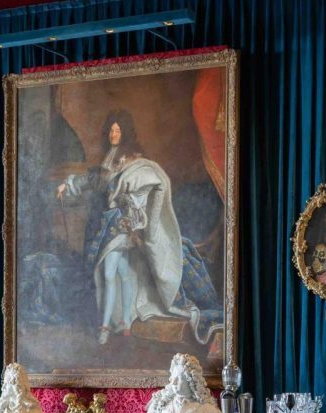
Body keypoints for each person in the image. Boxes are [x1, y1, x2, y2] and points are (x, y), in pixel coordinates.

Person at [57, 110, 222, 346]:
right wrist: (68, 183)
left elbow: (150, 191)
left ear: (125, 133)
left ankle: (107, 326)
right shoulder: (109, 159)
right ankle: (123, 321)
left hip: (124, 228)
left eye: (118, 130)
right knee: (120, 272)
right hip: (110, 226)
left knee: (111, 272)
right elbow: (95, 180)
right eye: (111, 130)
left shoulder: (136, 162)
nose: (114, 134)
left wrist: (134, 217)